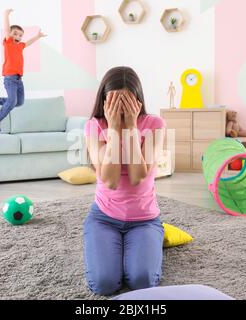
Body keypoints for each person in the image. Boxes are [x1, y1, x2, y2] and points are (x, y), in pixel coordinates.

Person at [83, 66, 166, 296]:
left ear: (137, 100)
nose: (120, 109)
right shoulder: (94, 125)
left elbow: (139, 178)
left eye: (126, 102)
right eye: (114, 102)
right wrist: (114, 129)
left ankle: (154, 239)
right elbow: (109, 181)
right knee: (104, 284)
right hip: (104, 218)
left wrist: (130, 127)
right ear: (104, 100)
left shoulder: (154, 124)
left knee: (142, 281)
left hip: (145, 220)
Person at [0, 9, 46, 131]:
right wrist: (6, 15)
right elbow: (7, 29)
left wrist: (38, 36)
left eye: (20, 35)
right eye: (15, 34)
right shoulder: (8, 44)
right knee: (12, 101)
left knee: (19, 102)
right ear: (10, 35)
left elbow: (28, 42)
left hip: (19, 80)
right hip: (10, 78)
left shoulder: (20, 46)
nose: (17, 36)